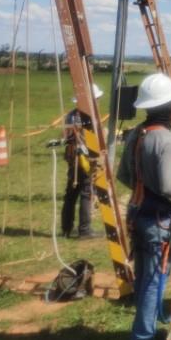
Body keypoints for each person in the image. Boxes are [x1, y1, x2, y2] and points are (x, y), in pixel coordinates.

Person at [117, 73, 171, 340]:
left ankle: (147, 324)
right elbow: (169, 186)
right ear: (169, 106)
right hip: (159, 218)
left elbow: (124, 175)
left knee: (144, 276)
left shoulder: (137, 134)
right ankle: (143, 333)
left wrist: (143, 187)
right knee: (154, 281)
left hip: (138, 211)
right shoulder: (167, 141)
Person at [59, 85, 101, 239]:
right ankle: (84, 229)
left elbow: (65, 135)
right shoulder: (87, 117)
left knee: (71, 194)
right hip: (83, 158)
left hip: (72, 157)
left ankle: (66, 228)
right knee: (86, 192)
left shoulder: (71, 115)